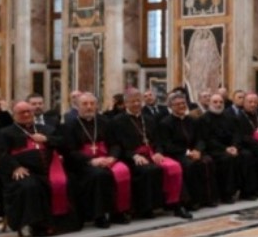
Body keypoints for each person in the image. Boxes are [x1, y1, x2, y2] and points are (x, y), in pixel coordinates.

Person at [110, 89, 192, 220]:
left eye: (138, 100)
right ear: (126, 103)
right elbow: (117, 144)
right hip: (131, 157)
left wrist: (158, 152)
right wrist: (134, 156)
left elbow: (158, 140)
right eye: (133, 101)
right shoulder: (117, 121)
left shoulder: (149, 119)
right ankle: (145, 208)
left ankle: (177, 205)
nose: (137, 104)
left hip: (152, 153)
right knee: (148, 170)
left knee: (174, 167)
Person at [0, 101, 70, 237]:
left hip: (48, 171)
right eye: (22, 112)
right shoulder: (5, 133)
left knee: (69, 181)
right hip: (24, 172)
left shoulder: (45, 128)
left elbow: (62, 142)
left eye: (28, 111)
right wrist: (15, 167)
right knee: (30, 186)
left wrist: (46, 139)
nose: (26, 115)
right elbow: (1, 154)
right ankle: (33, 224)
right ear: (14, 115)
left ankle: (62, 222)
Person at [60, 93, 130, 228]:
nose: (89, 107)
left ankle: (119, 211)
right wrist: (91, 161)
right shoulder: (69, 126)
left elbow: (115, 143)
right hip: (82, 163)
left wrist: (112, 157)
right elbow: (69, 151)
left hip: (107, 159)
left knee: (123, 171)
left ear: (97, 106)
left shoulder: (106, 122)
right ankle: (100, 215)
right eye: (85, 104)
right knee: (99, 175)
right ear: (77, 106)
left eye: (92, 104)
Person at [157, 93, 216, 209]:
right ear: (171, 106)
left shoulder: (193, 120)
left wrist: (198, 150)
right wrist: (188, 153)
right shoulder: (165, 123)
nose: (181, 106)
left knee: (208, 161)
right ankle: (191, 201)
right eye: (177, 104)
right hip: (177, 154)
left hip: (194, 152)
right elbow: (167, 145)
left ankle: (208, 198)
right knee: (191, 165)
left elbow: (200, 139)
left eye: (183, 103)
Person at [199, 93, 256, 202]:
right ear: (209, 103)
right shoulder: (204, 119)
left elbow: (237, 134)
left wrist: (234, 146)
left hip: (231, 147)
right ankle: (227, 194)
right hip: (215, 150)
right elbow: (207, 139)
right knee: (227, 159)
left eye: (221, 102)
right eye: (215, 102)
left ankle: (247, 191)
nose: (218, 104)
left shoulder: (230, 117)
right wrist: (225, 149)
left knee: (247, 155)